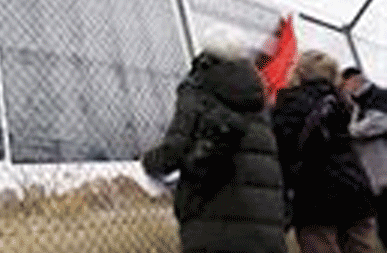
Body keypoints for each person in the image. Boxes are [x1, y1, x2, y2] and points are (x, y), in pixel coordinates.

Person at [143, 28, 287, 253]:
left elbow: (176, 147)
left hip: (212, 218)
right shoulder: (258, 96)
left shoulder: (199, 86)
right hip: (265, 223)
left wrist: (148, 162)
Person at [272, 50, 376, 253]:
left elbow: (282, 151)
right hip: (356, 190)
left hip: (313, 195)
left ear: (298, 72)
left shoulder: (289, 106)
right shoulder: (347, 105)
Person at [341, 67, 387, 248]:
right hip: (375, 176)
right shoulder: (361, 101)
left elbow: (378, 122)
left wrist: (353, 129)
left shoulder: (375, 98)